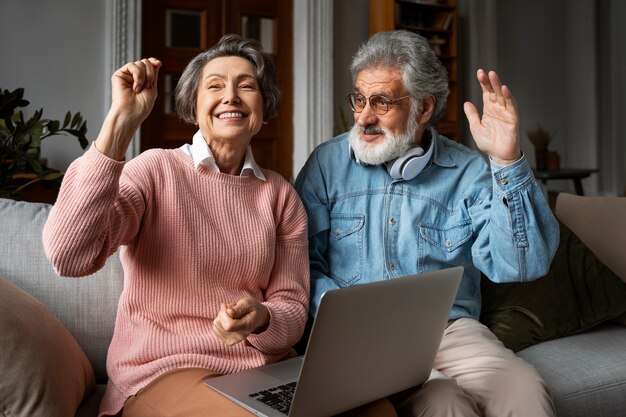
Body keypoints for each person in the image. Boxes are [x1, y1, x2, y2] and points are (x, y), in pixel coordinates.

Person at [42, 35, 313, 417]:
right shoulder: (155, 171)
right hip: (163, 370)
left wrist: (263, 318)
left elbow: (292, 307)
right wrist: (120, 123)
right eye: (215, 85)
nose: (231, 96)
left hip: (261, 373)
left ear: (264, 108)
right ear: (193, 105)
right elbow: (69, 256)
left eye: (247, 86)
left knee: (377, 409)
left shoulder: (280, 196)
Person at [294, 30, 560, 417]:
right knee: (443, 401)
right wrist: (342, 315)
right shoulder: (326, 165)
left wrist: (506, 162)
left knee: (523, 387)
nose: (364, 116)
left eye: (382, 101)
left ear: (422, 108)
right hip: (359, 334)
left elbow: (521, 264)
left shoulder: (467, 172)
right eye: (359, 99)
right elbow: (301, 264)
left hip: (448, 331)